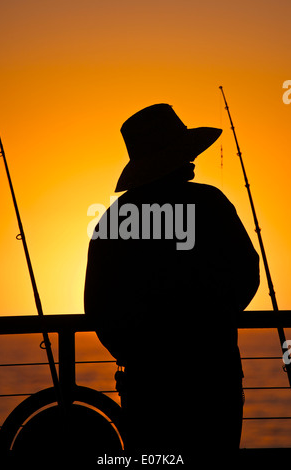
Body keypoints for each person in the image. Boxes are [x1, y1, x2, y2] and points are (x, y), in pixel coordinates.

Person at [84, 103, 260, 463]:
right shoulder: (211, 203)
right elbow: (248, 273)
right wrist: (213, 319)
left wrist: (133, 351)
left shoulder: (115, 219)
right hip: (214, 374)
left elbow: (98, 306)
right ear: (175, 156)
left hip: (148, 383)